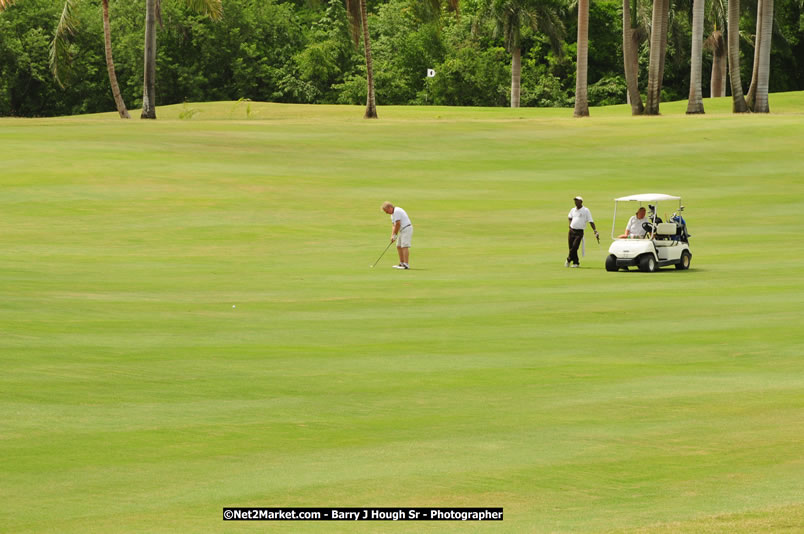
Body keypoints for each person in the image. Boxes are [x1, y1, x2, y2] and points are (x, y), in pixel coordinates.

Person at [566, 196, 598, 268]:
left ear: (581, 202)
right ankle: (576, 262)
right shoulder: (573, 210)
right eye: (575, 201)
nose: (575, 202)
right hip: (571, 230)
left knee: (575, 247)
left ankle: (568, 259)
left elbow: (591, 221)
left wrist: (595, 231)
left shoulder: (586, 210)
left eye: (577, 201)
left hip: (579, 232)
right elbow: (569, 217)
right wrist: (570, 224)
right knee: (571, 247)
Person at [381, 201, 413, 269]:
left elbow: (398, 224)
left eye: (386, 211)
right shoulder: (392, 215)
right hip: (402, 230)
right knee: (398, 246)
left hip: (406, 228)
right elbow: (394, 225)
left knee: (404, 246)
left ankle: (406, 264)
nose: (386, 213)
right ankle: (401, 263)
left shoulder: (397, 211)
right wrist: (392, 236)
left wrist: (395, 235)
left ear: (390, 207)